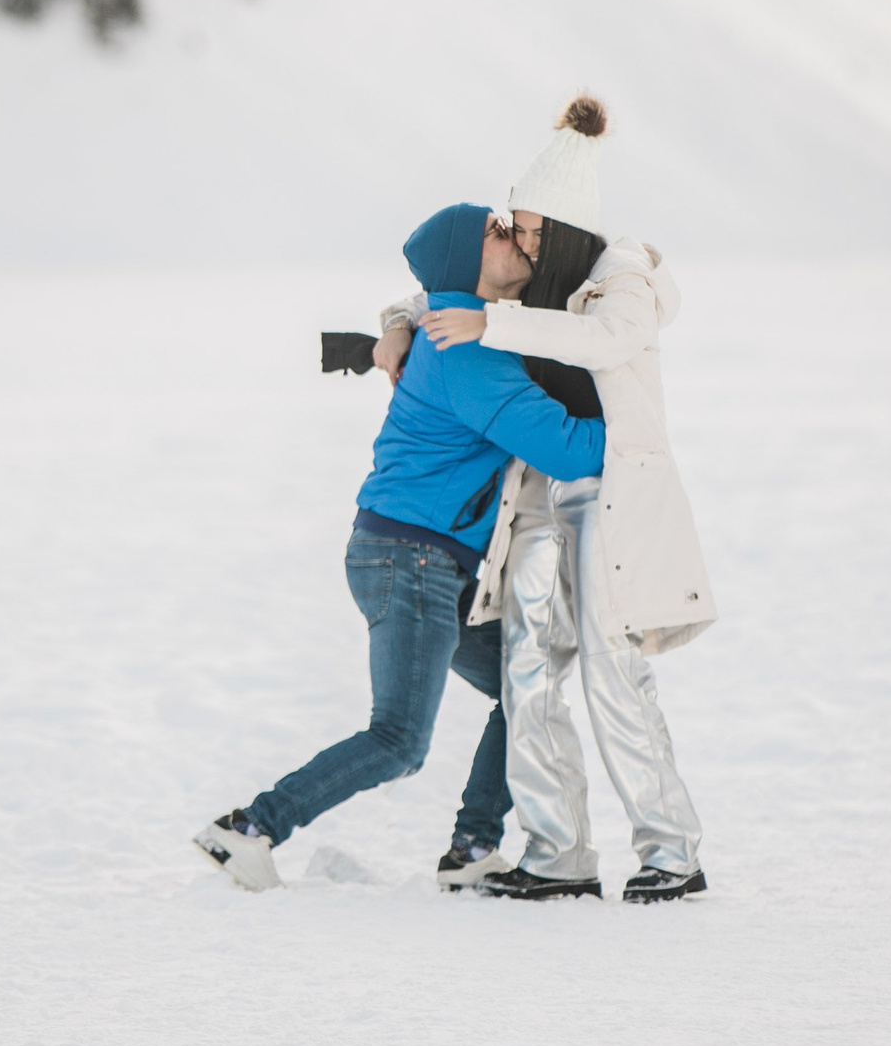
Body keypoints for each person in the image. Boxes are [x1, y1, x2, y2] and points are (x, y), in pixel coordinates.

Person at [193, 203, 606, 893]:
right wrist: (631, 399)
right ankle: (249, 829)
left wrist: (395, 326)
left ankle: (472, 848)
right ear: (463, 266)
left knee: (523, 687)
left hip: (415, 556)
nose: (512, 237)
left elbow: (417, 301)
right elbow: (572, 449)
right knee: (398, 739)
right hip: (410, 559)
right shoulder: (471, 356)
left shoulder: (456, 324)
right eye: (496, 233)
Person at [374, 96, 717, 903]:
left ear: (562, 231)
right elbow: (438, 290)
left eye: (530, 229)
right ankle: (557, 851)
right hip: (536, 499)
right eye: (515, 228)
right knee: (528, 671)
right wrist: (397, 321)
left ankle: (672, 849)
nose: (520, 241)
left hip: (610, 494)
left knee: (610, 668)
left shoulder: (616, 276)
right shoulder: (527, 291)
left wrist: (489, 320)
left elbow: (606, 343)